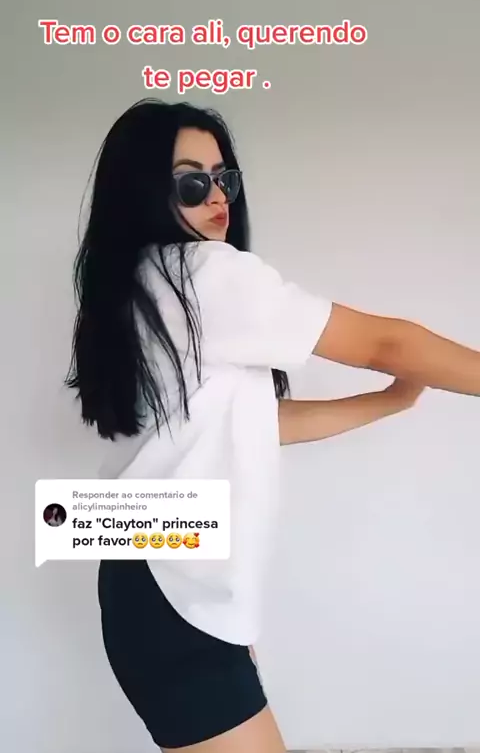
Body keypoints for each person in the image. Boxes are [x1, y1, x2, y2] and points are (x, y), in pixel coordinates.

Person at [67, 98, 479, 752]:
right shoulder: (205, 275)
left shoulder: (133, 285)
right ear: (144, 189)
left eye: (223, 177)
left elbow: (251, 423)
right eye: (191, 182)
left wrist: (389, 403)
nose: (217, 196)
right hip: (177, 586)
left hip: (148, 565)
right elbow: (385, 343)